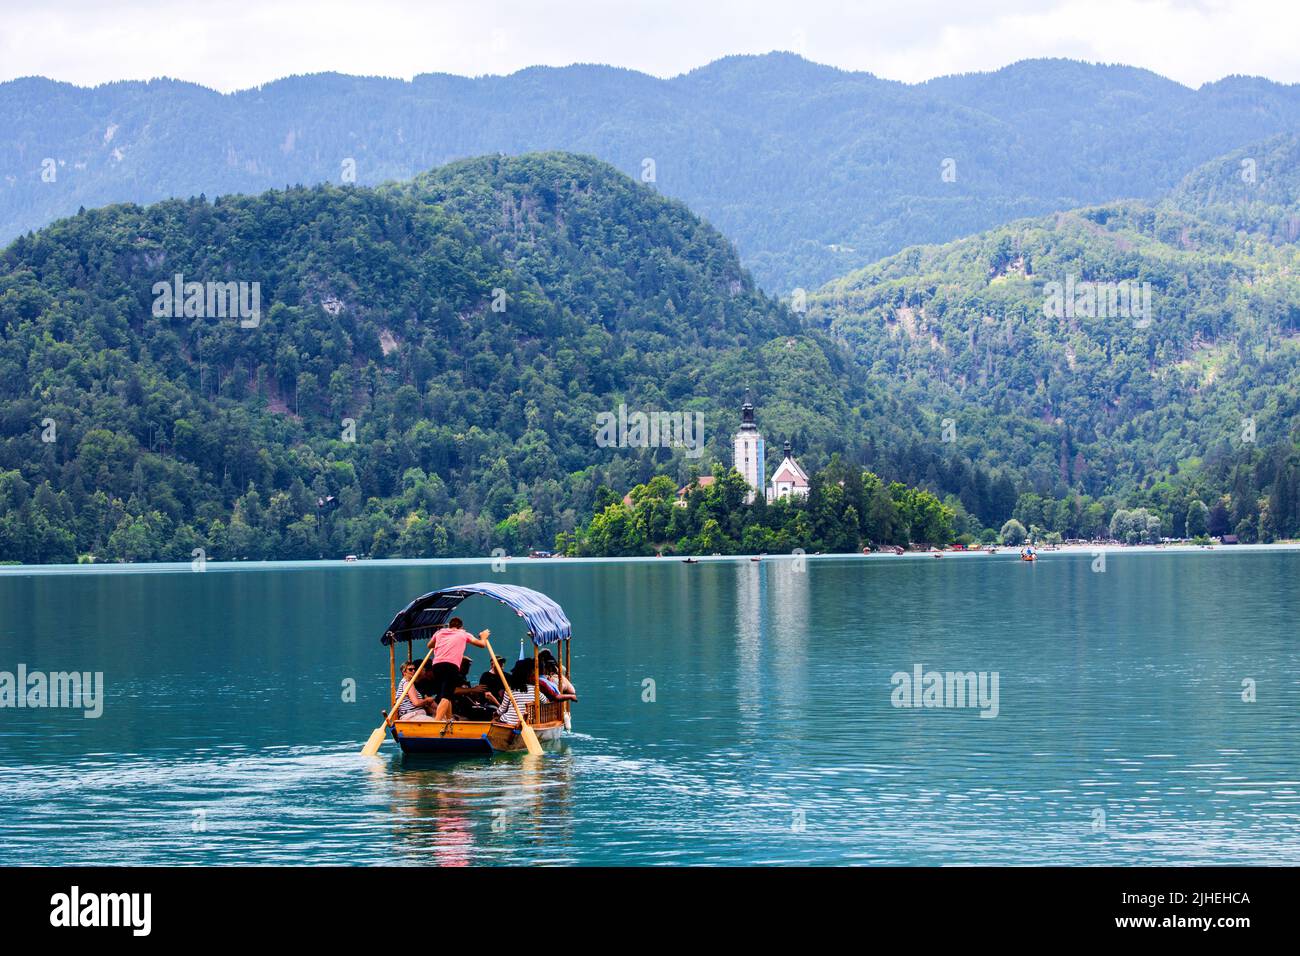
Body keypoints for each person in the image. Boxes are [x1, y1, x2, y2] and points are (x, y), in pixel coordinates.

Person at [426, 617, 490, 721]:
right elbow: (482, 644)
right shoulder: (463, 633)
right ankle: (436, 722)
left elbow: (429, 645)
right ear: (461, 627)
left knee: (448, 694)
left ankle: (449, 719)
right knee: (446, 697)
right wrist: (484, 636)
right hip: (450, 666)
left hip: (436, 666)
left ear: (449, 626)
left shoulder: (440, 632)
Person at [494, 659, 553, 726]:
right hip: (529, 723)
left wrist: (496, 713)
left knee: (496, 718)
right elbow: (546, 701)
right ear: (528, 676)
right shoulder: (534, 690)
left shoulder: (510, 690)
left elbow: (502, 709)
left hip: (510, 722)